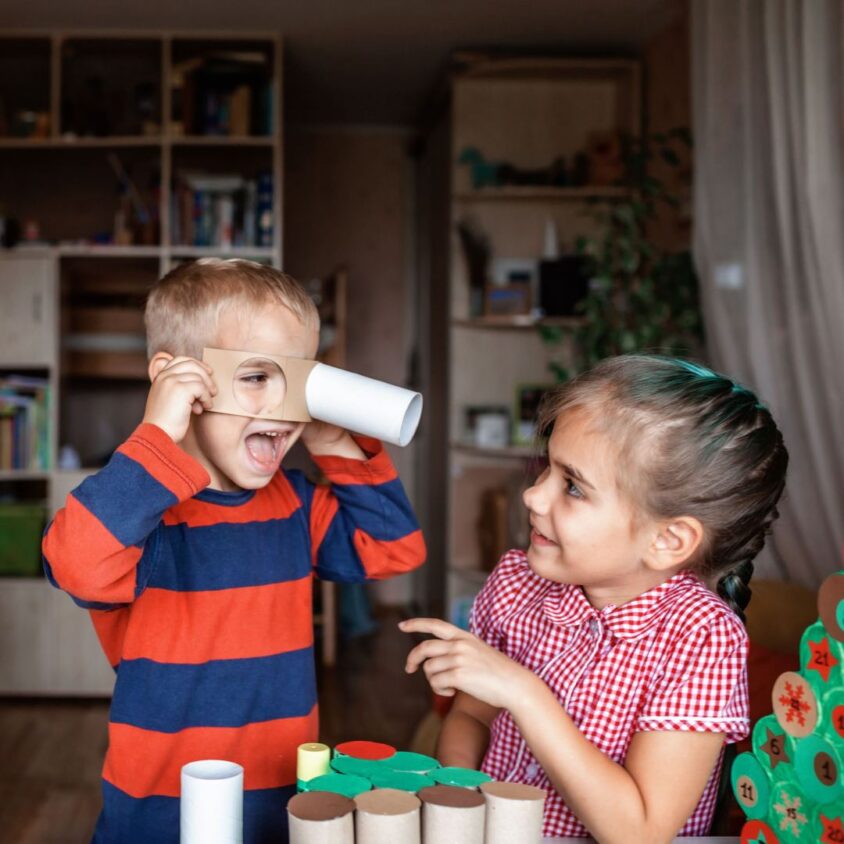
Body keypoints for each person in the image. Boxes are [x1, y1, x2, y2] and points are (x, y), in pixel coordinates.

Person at [43, 258, 426, 844]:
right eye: (256, 377)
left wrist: (334, 441)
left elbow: (392, 550)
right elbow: (78, 567)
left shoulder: (295, 507)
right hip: (158, 813)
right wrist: (156, 437)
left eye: (299, 383)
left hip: (280, 805)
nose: (282, 408)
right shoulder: (139, 513)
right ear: (181, 386)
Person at [402, 355, 788, 842]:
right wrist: (459, 806)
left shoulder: (701, 636)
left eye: (573, 487)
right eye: (546, 470)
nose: (534, 497)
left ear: (666, 541)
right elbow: (470, 715)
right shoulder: (516, 583)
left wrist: (525, 694)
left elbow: (639, 831)